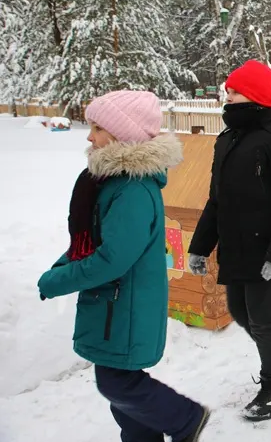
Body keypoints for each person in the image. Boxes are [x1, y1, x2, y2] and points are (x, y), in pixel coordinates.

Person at [37, 91, 209, 442]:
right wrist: (61, 267)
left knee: (118, 383)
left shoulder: (132, 190)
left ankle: (185, 418)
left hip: (126, 306)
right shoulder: (110, 182)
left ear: (121, 135)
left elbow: (112, 258)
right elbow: (89, 240)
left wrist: (59, 280)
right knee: (121, 390)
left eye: (97, 128)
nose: (89, 137)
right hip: (115, 305)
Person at [188, 60, 271, 422]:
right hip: (236, 246)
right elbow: (217, 199)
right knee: (243, 314)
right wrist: (200, 244)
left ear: (257, 96)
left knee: (262, 316)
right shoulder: (227, 140)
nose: (227, 97)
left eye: (234, 91)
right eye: (227, 91)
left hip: (268, 250)